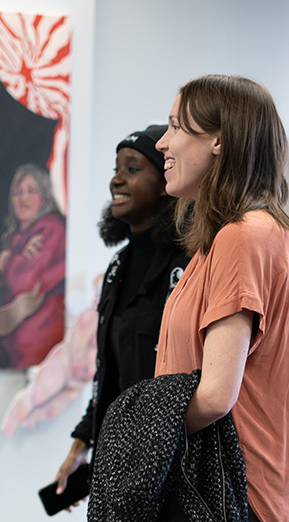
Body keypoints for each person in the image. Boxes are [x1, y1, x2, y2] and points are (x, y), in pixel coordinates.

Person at [153, 75, 289, 521]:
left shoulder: (245, 236)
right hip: (221, 488)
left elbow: (215, 396)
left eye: (176, 127)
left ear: (219, 140)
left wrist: (140, 436)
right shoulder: (229, 237)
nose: (163, 143)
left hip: (235, 494)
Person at [53, 125, 190, 507]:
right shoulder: (117, 267)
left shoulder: (189, 265)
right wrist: (82, 443)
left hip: (172, 471)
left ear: (165, 183)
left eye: (132, 169)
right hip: (120, 465)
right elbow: (109, 373)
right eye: (116, 169)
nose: (116, 179)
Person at [0, 163, 67, 369]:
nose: (23, 198)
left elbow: (25, 284)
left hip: (40, 339)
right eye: (18, 192)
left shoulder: (50, 228)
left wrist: (8, 262)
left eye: (30, 191)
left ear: (43, 198)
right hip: (20, 344)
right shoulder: (16, 237)